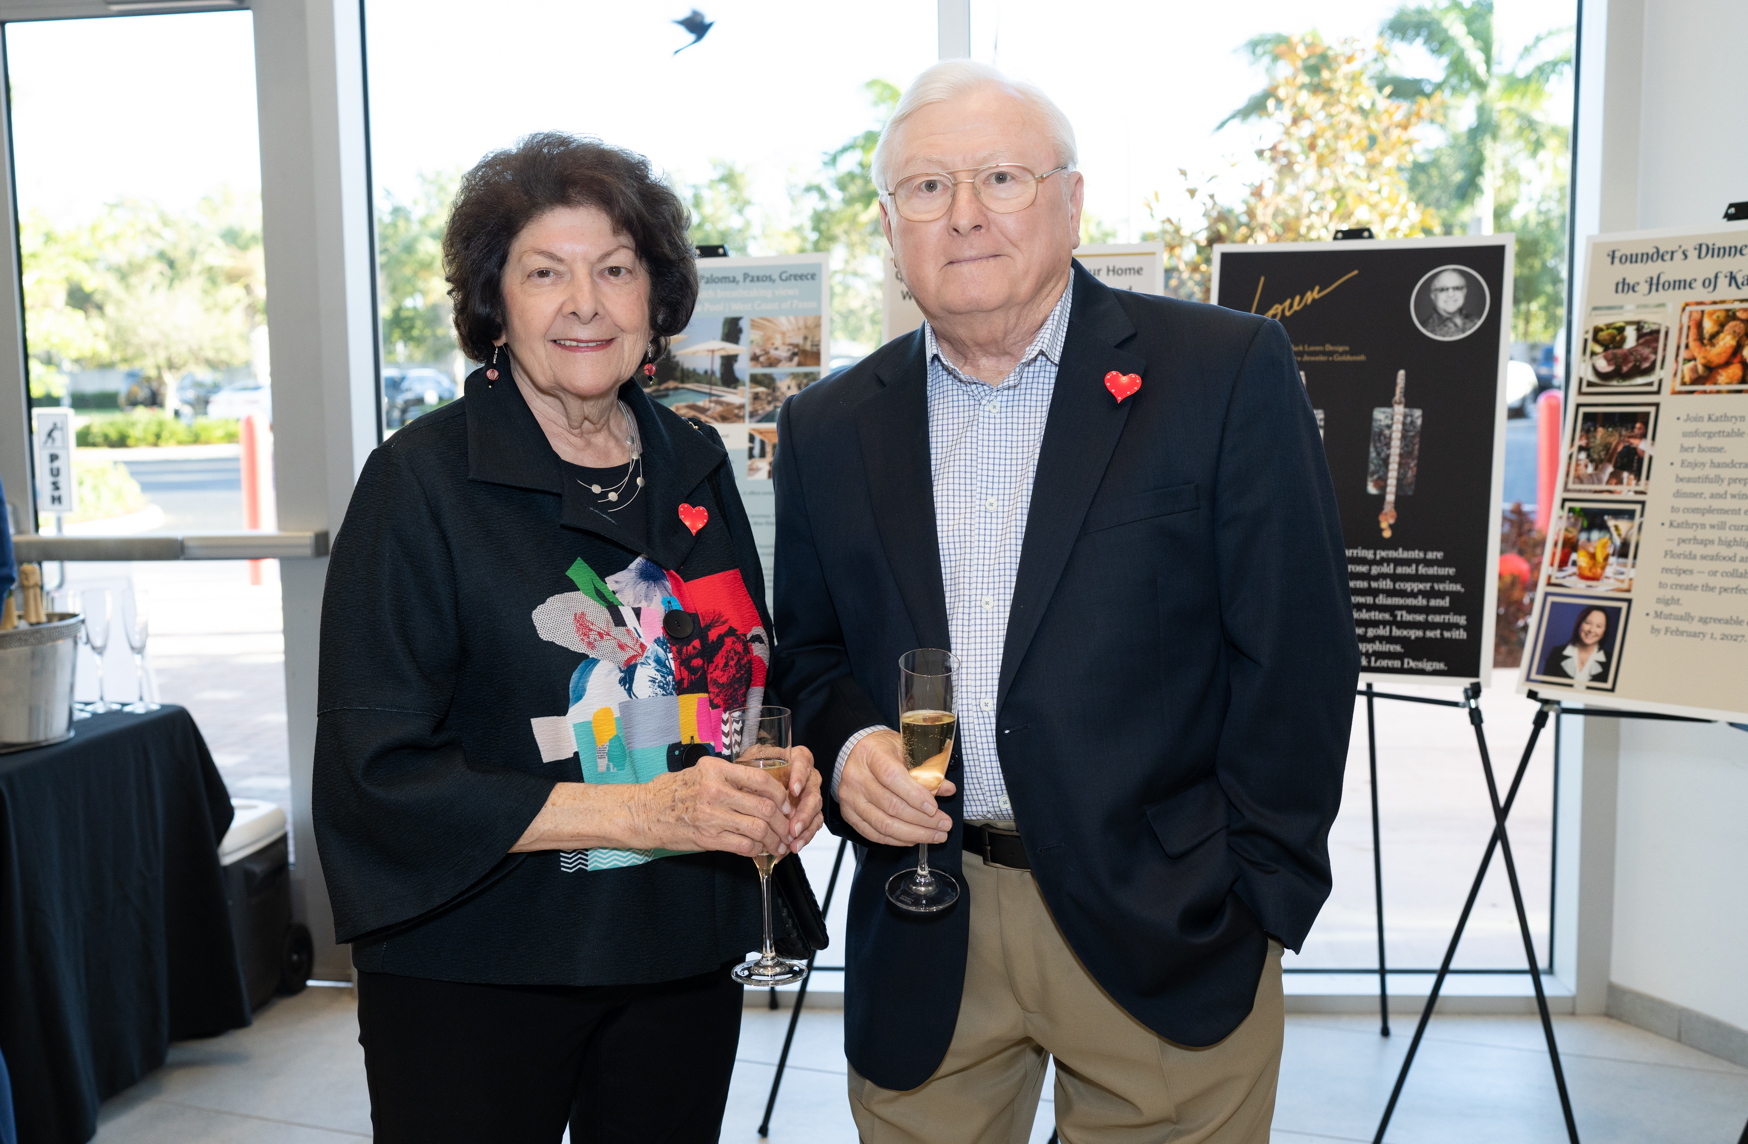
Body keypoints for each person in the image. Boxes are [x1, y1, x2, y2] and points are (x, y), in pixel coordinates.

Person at [771, 62, 1358, 1143]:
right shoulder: (828, 426)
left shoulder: (1221, 371)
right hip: (924, 919)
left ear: (1072, 201)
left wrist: (1261, 896)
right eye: (926, 187)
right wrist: (848, 745)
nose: (964, 214)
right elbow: (807, 654)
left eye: (1001, 177)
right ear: (889, 228)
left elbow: (1298, 654)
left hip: (1169, 921)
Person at [313, 132, 823, 1144]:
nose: (585, 303)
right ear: (494, 305)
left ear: (655, 300)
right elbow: (380, 774)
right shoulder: (420, 483)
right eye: (545, 273)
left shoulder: (691, 458)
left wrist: (780, 766)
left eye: (616, 270)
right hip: (483, 968)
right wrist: (643, 809)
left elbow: (744, 671)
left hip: (681, 949)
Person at [1540, 606, 1611, 684]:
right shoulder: (1556, 654)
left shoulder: (1611, 662)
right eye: (1588, 623)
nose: (1591, 630)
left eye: (1598, 626)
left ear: (1604, 630)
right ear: (1579, 623)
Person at [1422, 268, 1479, 338]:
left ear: (1464, 292)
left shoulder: (1477, 322)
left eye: (1457, 288)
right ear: (1433, 295)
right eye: (1443, 289)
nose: (1451, 294)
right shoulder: (1425, 330)